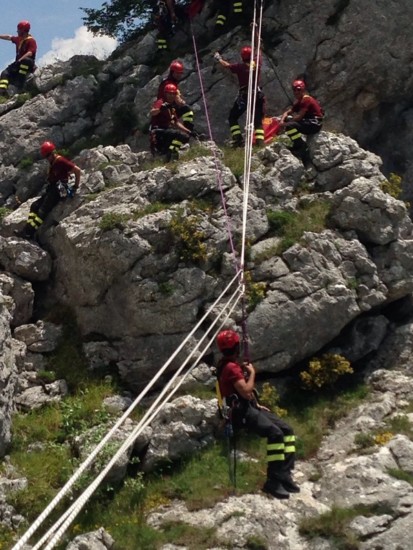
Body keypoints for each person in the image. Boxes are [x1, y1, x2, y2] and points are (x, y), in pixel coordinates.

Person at [216, 329, 299, 499]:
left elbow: (243, 394)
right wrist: (252, 373)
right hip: (240, 413)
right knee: (275, 434)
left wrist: (257, 404)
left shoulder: (226, 364)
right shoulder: (231, 368)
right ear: (237, 347)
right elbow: (246, 391)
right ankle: (273, 481)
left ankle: (285, 473)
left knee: (287, 430)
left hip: (248, 407)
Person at [18, 142, 81, 240]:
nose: (47, 158)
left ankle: (29, 233)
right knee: (34, 206)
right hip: (52, 188)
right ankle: (27, 229)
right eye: (46, 156)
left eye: (48, 155)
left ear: (52, 153)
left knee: (42, 211)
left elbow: (77, 170)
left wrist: (76, 186)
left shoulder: (61, 161)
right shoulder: (53, 162)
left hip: (59, 189)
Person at [214, 46, 265, 147]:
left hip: (245, 96)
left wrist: (218, 58)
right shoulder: (256, 64)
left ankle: (238, 139)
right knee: (258, 121)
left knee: (232, 117)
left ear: (242, 57)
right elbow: (259, 53)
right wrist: (258, 42)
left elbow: (226, 65)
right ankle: (260, 143)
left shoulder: (240, 67)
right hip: (257, 95)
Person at [279, 79, 324, 166]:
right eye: (294, 90)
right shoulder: (300, 101)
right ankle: (298, 144)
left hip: (314, 124)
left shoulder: (306, 100)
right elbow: (287, 112)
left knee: (290, 126)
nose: (296, 92)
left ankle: (300, 146)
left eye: (298, 90)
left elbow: (299, 116)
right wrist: (282, 121)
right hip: (310, 122)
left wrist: (284, 124)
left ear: (303, 90)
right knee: (288, 122)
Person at [150, 83, 193, 161]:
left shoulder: (171, 107)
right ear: (166, 94)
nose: (171, 96)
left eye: (173, 94)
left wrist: (189, 132)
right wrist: (160, 109)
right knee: (178, 134)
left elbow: (176, 122)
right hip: (157, 132)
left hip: (166, 131)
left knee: (185, 137)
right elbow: (152, 112)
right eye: (169, 94)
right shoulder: (161, 102)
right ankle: (168, 153)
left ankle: (171, 152)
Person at [0, 20, 37, 97]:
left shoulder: (31, 41)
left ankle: (20, 83)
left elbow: (30, 53)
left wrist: (20, 60)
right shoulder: (19, 39)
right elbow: (9, 37)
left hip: (28, 63)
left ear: (23, 30)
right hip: (18, 63)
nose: (17, 31)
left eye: (19, 30)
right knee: (4, 73)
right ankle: (2, 92)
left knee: (25, 61)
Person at [157, 60, 195, 132]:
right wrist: (182, 102)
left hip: (163, 111)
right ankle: (188, 129)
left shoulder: (166, 82)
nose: (179, 75)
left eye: (180, 73)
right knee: (186, 109)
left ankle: (187, 130)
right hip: (166, 111)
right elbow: (178, 102)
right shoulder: (171, 84)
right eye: (177, 73)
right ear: (172, 72)